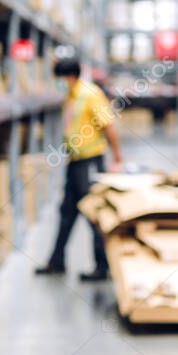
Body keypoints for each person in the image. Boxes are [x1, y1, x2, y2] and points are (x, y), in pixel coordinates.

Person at [36, 59, 123, 282]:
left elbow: (108, 125)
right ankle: (57, 262)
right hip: (75, 162)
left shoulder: (90, 94)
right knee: (66, 212)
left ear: (70, 77)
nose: (58, 83)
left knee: (93, 213)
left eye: (59, 79)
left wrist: (117, 157)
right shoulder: (72, 94)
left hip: (90, 162)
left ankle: (102, 267)